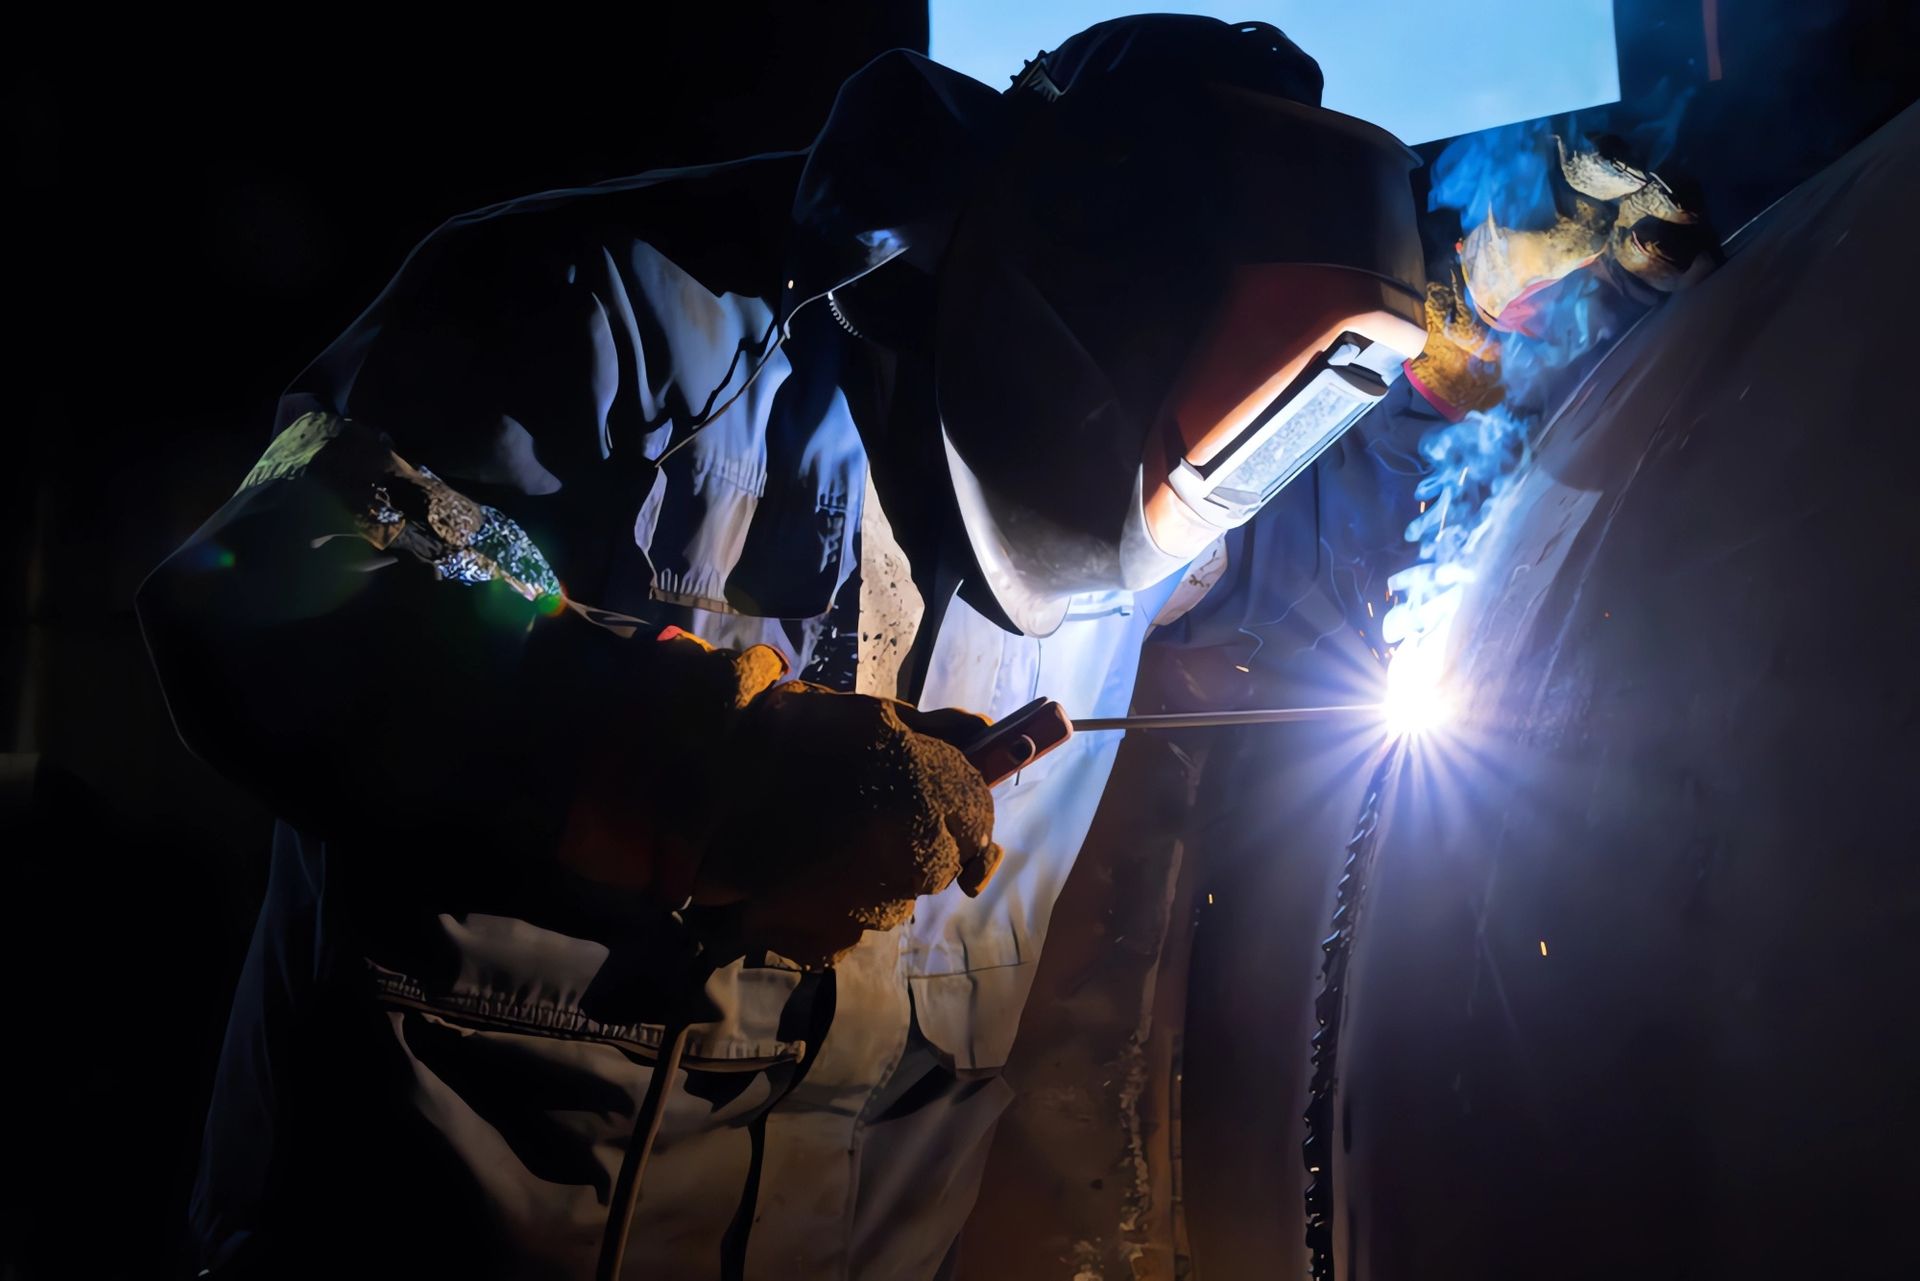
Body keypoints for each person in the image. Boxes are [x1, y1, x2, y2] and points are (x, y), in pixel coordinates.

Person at [138, 16, 1427, 1278]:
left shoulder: (1178, 492)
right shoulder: (613, 302)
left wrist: (1519, 298)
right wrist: (712, 773)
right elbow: (267, 596)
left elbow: (1332, 518)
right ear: (1087, 280)